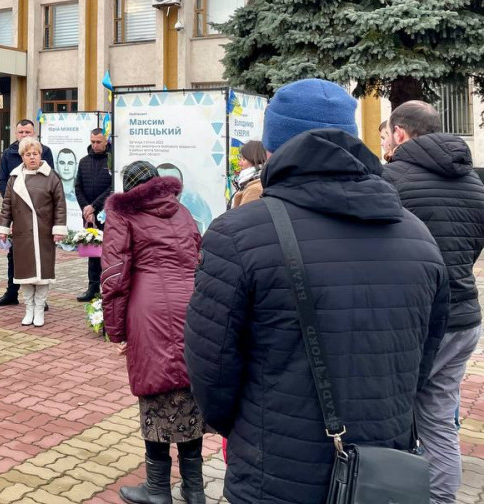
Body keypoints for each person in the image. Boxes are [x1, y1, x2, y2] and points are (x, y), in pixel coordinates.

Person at [184, 79, 450, 504]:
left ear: (272, 149)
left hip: (273, 469)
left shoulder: (238, 233)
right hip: (381, 472)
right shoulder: (418, 236)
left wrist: (250, 427)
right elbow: (424, 358)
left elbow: (209, 369)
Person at [383, 100, 484, 503]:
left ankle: (389, 490)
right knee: (440, 419)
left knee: (390, 416)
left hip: (414, 321)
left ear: (400, 133)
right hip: (464, 318)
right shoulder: (475, 183)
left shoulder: (390, 179)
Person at [101, 160, 205, 504]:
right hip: (190, 306)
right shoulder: (183, 211)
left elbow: (114, 276)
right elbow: (200, 257)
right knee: (188, 392)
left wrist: (116, 332)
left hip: (150, 312)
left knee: (156, 389)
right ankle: (195, 488)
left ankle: (158, 488)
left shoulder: (123, 214)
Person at [0, 137, 67, 327]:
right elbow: (7, 206)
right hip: (22, 234)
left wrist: (58, 229)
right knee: (25, 273)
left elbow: (60, 205)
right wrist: (3, 228)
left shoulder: (51, 176)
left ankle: (39, 309)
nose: (32, 157)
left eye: (35, 153)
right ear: (22, 157)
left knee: (42, 274)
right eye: (28, 154)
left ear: (40, 154)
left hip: (44, 233)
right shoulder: (14, 178)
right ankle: (29, 309)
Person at [0, 120, 54, 307]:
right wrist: (11, 202)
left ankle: (40, 299)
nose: (24, 135)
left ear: (34, 133)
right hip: (17, 213)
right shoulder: (9, 153)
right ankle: (12, 292)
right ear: (16, 133)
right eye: (21, 132)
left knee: (39, 254)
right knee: (15, 254)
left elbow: (51, 180)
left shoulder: (45, 152)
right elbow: (3, 180)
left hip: (39, 213)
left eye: (28, 131)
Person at [73, 129, 113, 302]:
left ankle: (109, 287)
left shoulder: (112, 162)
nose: (95, 145)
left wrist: (94, 206)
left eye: (99, 142)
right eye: (93, 141)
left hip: (107, 213)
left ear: (106, 142)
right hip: (89, 216)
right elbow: (78, 187)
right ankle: (92, 287)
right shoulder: (84, 162)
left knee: (109, 252)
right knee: (92, 251)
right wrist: (86, 208)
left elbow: (111, 188)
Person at [230, 140, 265, 208]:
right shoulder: (252, 183)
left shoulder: (255, 188)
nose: (239, 163)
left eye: (243, 159)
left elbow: (242, 217)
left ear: (255, 160)